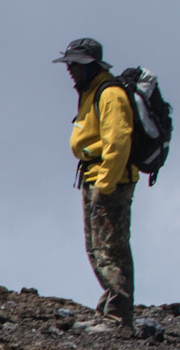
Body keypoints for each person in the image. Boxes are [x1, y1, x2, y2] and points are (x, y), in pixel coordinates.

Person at [59, 37, 138, 325]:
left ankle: (118, 317)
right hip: (95, 177)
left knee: (111, 248)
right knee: (97, 248)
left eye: (75, 64)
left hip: (109, 180)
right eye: (69, 64)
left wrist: (106, 183)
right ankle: (109, 309)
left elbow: (118, 140)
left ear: (90, 65)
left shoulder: (109, 93)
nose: (70, 70)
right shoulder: (93, 91)